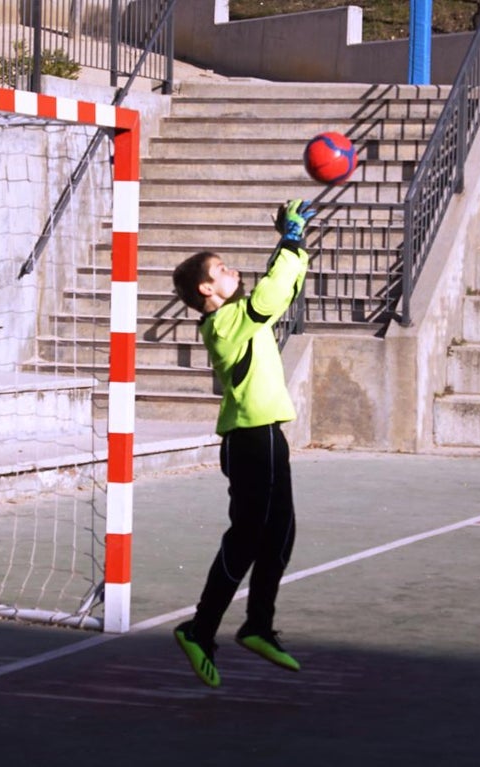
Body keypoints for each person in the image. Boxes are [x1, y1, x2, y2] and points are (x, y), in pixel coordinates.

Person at [168, 199, 315, 688]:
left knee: (279, 534)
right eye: (223, 269)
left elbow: (284, 288)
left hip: (261, 437)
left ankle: (254, 626)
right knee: (249, 537)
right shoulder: (224, 322)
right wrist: (288, 241)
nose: (233, 272)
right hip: (252, 439)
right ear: (207, 289)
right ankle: (201, 629)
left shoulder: (241, 317)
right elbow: (269, 297)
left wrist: (292, 243)